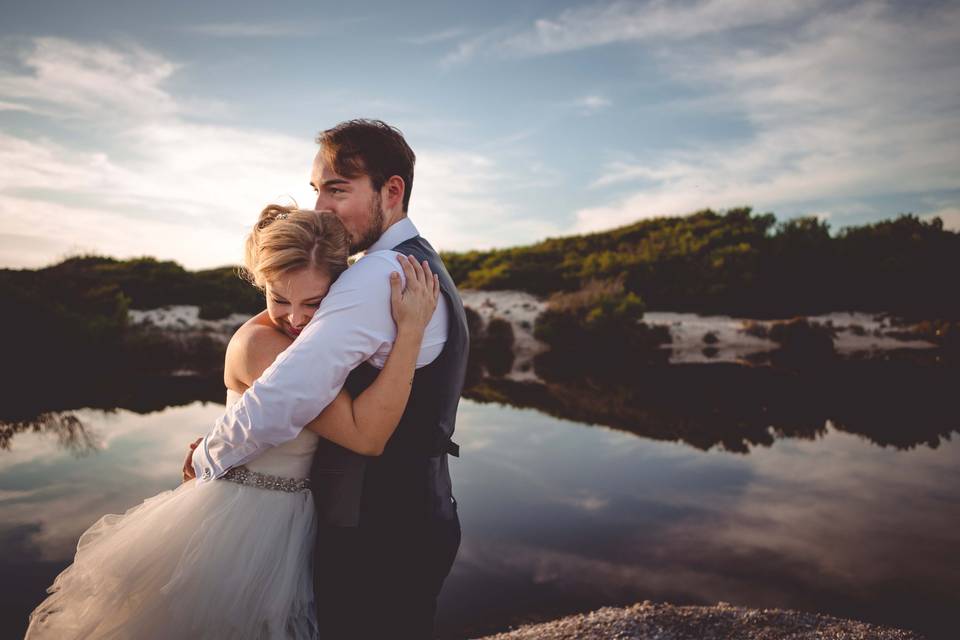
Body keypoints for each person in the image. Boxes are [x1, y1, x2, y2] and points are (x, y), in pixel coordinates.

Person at [24, 205, 440, 639]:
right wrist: (410, 332)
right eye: (279, 299)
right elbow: (366, 436)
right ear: (260, 285)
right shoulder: (262, 345)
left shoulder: (314, 344)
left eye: (313, 303)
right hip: (241, 528)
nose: (296, 318)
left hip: (287, 522)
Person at [186, 119, 470, 639]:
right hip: (421, 513)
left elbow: (284, 393)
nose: (321, 207)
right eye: (318, 189)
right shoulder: (425, 261)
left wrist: (206, 456)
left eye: (338, 189)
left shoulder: (375, 275)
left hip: (376, 533)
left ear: (392, 190)